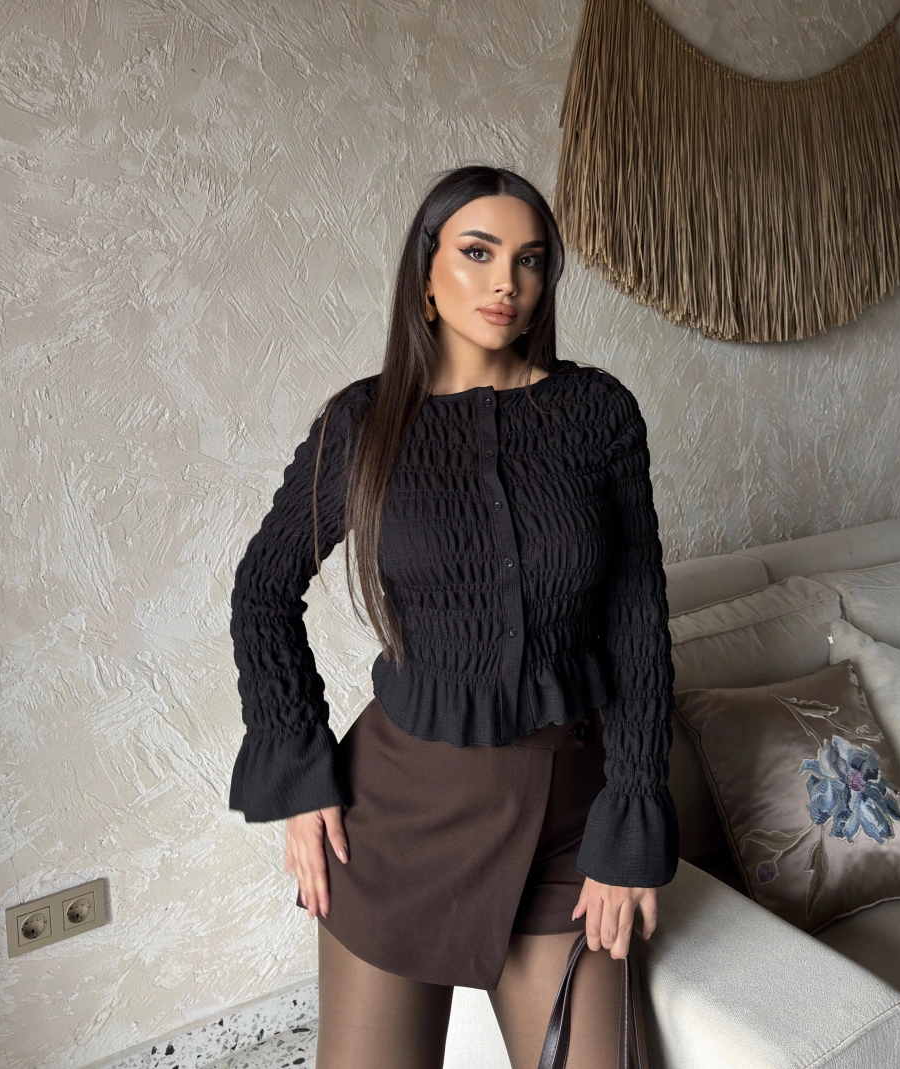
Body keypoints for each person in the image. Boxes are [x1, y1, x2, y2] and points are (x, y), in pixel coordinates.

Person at [228, 164, 679, 1069]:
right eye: (478, 252)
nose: (506, 280)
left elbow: (638, 623)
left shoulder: (598, 413)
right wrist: (301, 773)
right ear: (426, 273)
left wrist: (630, 823)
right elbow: (263, 589)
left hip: (566, 824)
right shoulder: (362, 423)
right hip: (399, 817)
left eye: (530, 259)